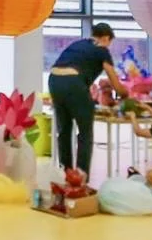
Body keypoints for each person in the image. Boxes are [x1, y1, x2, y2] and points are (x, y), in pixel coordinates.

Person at [48, 22, 128, 179]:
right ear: (106, 38)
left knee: (64, 130)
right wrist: (125, 94)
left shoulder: (79, 44)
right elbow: (113, 79)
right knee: (85, 130)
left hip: (54, 81)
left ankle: (65, 172)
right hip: (73, 83)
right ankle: (81, 175)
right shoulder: (101, 49)